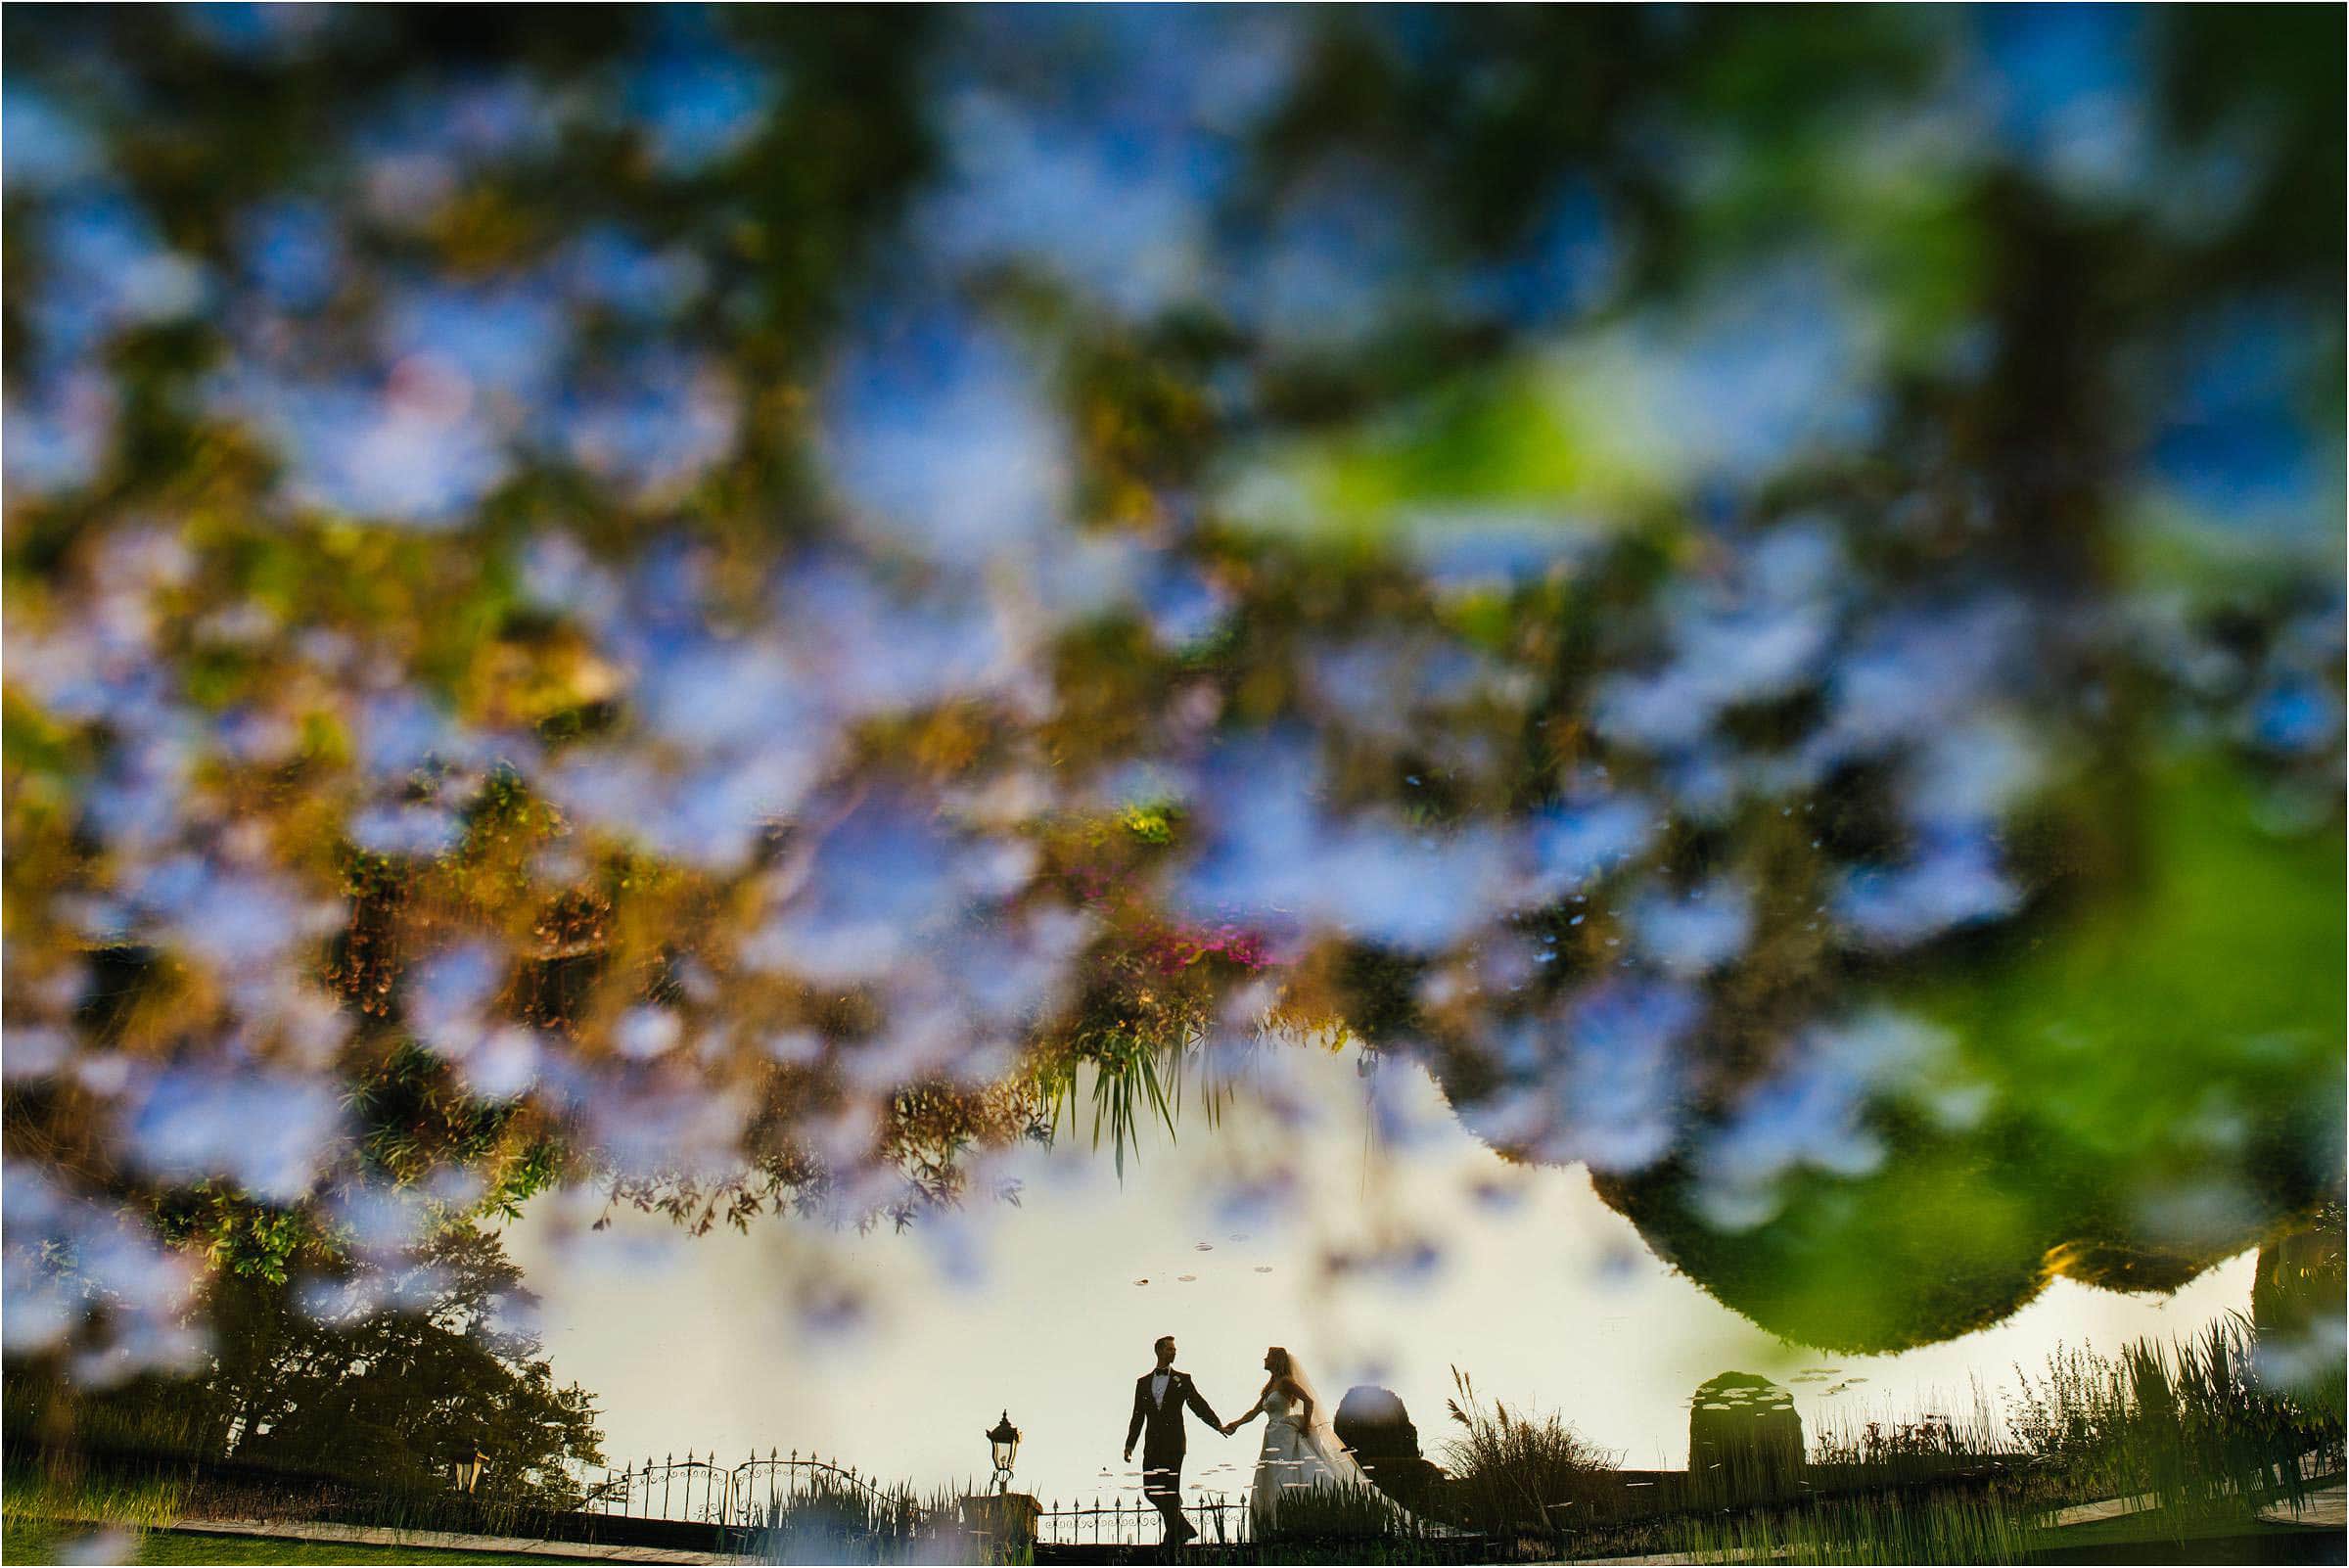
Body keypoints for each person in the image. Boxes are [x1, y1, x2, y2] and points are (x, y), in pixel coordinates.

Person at [1221, 1346, 1420, 1537]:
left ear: (1276, 1360)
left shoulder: (1285, 1382)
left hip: (1285, 1435)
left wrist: (1306, 1425)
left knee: (1288, 1476)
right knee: (1272, 1477)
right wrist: (1235, 1424)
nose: (1264, 1359)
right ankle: (1276, 1522)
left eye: (1268, 1356)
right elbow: (1254, 1412)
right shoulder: (1270, 1387)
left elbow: (1309, 1401)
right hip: (1273, 1436)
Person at [1123, 1334, 1226, 1547]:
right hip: (1151, 1444)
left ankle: (1172, 1540)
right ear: (1159, 1351)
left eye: (1174, 1349)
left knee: (1170, 1489)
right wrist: (1129, 1445)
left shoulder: (1183, 1379)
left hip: (1174, 1444)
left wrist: (1217, 1425)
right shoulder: (1142, 1383)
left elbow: (1198, 1404)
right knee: (1150, 1490)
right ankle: (1183, 1529)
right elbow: (1137, 1416)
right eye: (1170, 1349)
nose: (1174, 1352)